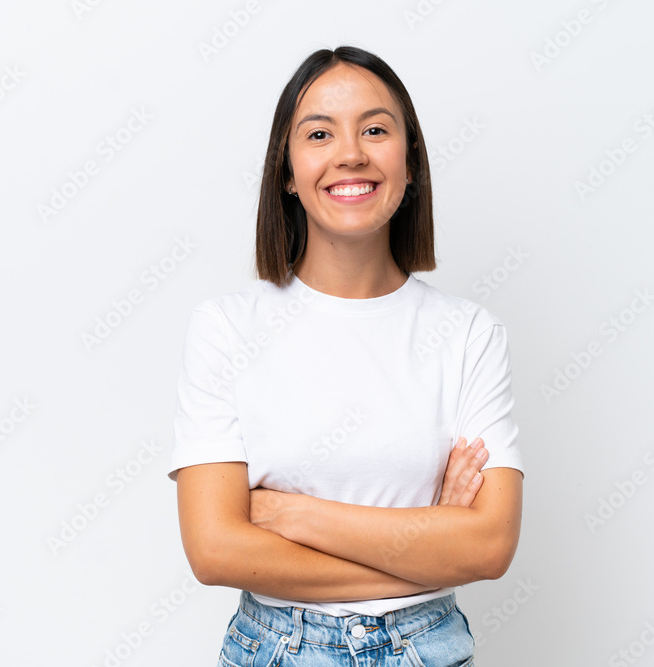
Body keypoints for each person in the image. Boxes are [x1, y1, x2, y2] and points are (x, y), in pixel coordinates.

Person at [168, 45, 524, 666]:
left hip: (427, 650)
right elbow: (216, 551)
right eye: (319, 134)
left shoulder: (469, 334)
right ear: (287, 171)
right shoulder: (225, 328)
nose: (351, 153)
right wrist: (426, 548)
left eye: (376, 130)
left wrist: (288, 514)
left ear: (410, 163)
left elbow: (489, 547)